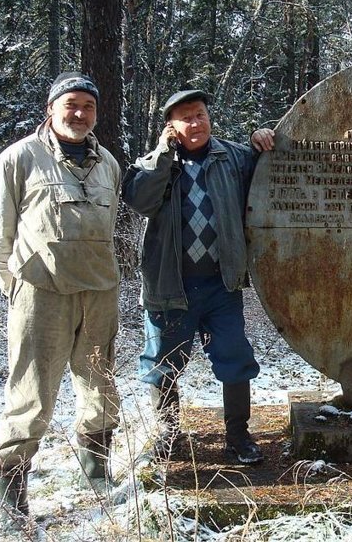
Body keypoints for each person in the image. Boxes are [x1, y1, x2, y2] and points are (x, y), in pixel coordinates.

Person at [0, 72, 122, 521]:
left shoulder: (108, 165)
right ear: (52, 109)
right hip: (40, 291)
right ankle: (11, 487)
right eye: (71, 105)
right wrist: (17, 287)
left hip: (99, 290)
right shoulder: (20, 157)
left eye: (88, 106)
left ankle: (96, 467)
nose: (80, 114)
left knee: (100, 382)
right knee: (32, 390)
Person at [122, 90, 274, 465]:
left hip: (221, 284)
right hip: (170, 286)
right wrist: (162, 156)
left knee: (234, 356)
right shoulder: (154, 164)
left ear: (210, 118)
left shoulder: (233, 158)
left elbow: (269, 181)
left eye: (201, 115)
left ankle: (238, 435)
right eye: (185, 117)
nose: (195, 123)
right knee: (164, 363)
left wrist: (261, 138)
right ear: (170, 126)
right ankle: (170, 436)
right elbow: (140, 201)